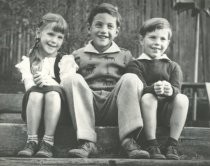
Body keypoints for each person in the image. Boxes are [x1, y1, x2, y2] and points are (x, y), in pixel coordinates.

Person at [61, 3, 149, 159]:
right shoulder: (78, 55)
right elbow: (66, 84)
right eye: (99, 25)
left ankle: (129, 140)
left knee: (131, 78)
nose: (104, 30)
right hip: (87, 106)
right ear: (89, 28)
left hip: (115, 106)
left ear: (116, 31)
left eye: (110, 26)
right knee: (71, 78)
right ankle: (87, 141)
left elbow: (137, 84)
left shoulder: (125, 55)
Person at [15, 13, 78, 158]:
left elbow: (67, 88)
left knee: (53, 93)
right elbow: (29, 89)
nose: (54, 40)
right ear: (38, 33)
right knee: (36, 92)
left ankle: (48, 142)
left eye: (59, 37)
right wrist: (38, 81)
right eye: (50, 34)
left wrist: (49, 81)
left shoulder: (65, 61)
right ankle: (31, 140)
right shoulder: (29, 61)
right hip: (33, 110)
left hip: (59, 111)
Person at [126, 18, 189, 160]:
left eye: (162, 39)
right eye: (152, 37)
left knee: (183, 98)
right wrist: (153, 89)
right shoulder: (135, 65)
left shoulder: (173, 66)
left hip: (167, 114)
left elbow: (177, 89)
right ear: (141, 40)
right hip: (144, 113)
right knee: (148, 97)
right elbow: (137, 91)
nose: (157, 43)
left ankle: (172, 144)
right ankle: (151, 143)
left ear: (168, 42)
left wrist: (171, 90)